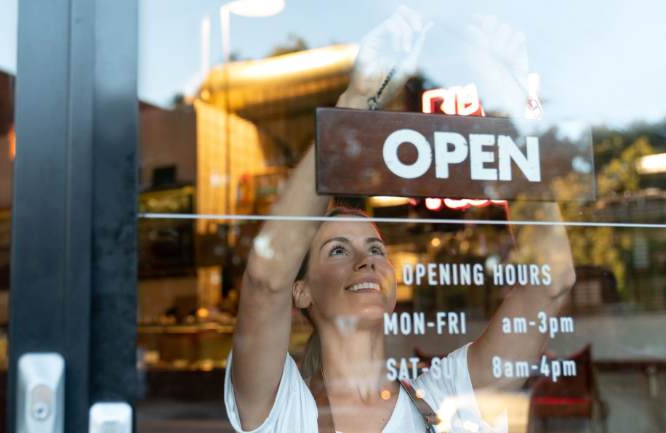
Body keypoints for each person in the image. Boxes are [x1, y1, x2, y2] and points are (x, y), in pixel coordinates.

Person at [225, 7, 575, 433]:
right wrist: (354, 105)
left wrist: (506, 102)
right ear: (301, 291)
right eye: (338, 249)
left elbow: (551, 281)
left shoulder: (446, 397)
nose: (367, 261)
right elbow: (265, 280)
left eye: (376, 249)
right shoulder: (282, 408)